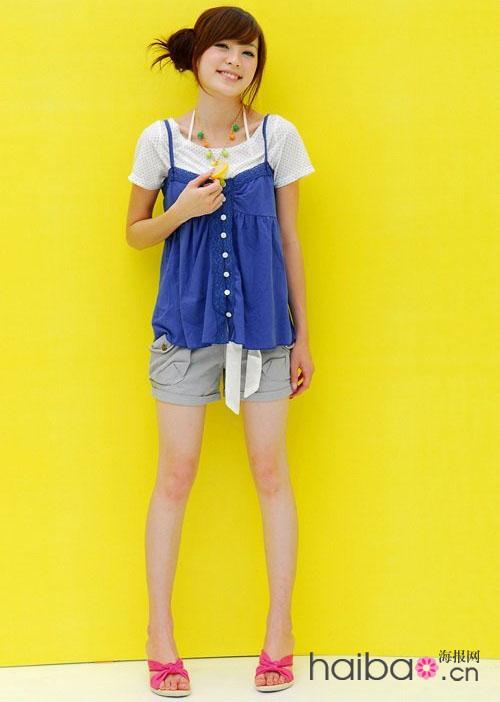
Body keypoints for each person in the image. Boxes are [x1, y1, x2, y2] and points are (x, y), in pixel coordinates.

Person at [126, 5, 316, 696]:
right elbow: (135, 232)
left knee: (271, 473)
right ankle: (160, 636)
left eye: (249, 53)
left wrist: (302, 335)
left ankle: (279, 633)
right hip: (184, 332)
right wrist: (180, 212)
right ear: (198, 56)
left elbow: (290, 239)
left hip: (266, 334)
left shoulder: (277, 137)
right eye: (224, 49)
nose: (236, 62)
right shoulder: (160, 140)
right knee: (175, 476)